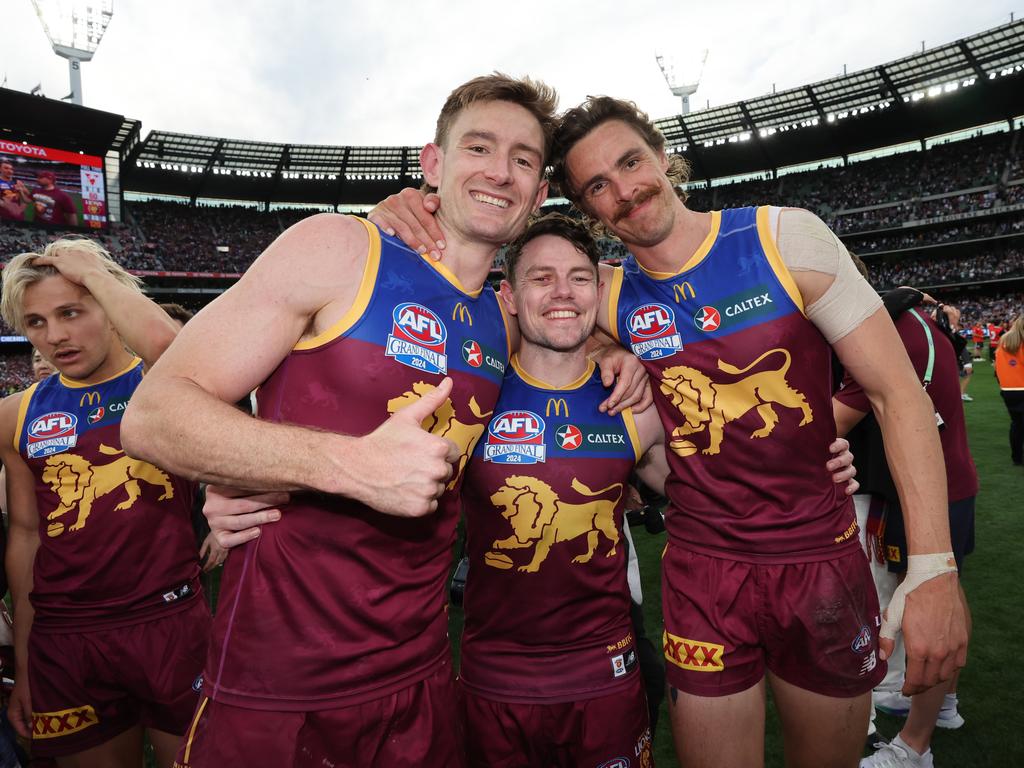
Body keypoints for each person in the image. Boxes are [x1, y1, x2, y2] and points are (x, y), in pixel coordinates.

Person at [371, 94, 968, 768]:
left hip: (821, 558)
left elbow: (898, 395)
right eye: (598, 185)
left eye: (630, 162)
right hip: (703, 570)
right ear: (586, 206)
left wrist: (934, 568)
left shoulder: (784, 238)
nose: (624, 190)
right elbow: (508, 309)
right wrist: (407, 213)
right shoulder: (607, 291)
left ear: (662, 156)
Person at [120, 74, 647, 767]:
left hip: (423, 688)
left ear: (539, 190)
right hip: (279, 691)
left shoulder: (502, 319)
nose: (500, 171)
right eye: (479, 148)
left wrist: (619, 354)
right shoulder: (341, 251)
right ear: (432, 165)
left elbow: (581, 324)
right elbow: (153, 415)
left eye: (523, 159)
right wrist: (337, 466)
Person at [202, 214, 859, 767]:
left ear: (599, 289)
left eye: (578, 279)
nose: (562, 294)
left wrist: (812, 467)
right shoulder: (472, 394)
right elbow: (342, 410)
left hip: (607, 675)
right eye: (540, 278)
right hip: (489, 682)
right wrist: (242, 474)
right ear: (508, 299)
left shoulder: (635, 400)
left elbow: (710, 483)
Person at [0, 239, 210, 768]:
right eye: (37, 322)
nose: (56, 336)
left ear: (108, 302)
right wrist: (25, 662)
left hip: (172, 624)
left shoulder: (166, 382)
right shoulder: (15, 415)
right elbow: (26, 536)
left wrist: (95, 271)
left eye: (70, 311)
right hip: (66, 642)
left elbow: (173, 345)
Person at [834, 288, 978, 768]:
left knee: (933, 602)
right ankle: (944, 708)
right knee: (945, 596)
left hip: (929, 486)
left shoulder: (885, 330)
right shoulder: (917, 320)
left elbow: (831, 422)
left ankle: (915, 748)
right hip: (947, 479)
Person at [995, 313, 1024, 466]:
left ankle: (1017, 458)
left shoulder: (1003, 343)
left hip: (1008, 390)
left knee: (1017, 424)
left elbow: (997, 370)